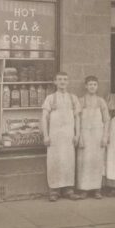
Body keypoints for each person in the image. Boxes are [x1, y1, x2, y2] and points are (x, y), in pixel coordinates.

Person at [41, 71, 82, 202]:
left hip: (68, 135)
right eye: (60, 80)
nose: (62, 82)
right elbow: (44, 117)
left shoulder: (73, 98)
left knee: (68, 161)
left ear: (68, 82)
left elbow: (77, 118)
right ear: (55, 82)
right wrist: (46, 135)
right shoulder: (50, 98)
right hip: (55, 136)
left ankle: (68, 190)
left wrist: (77, 134)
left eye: (65, 79)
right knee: (54, 161)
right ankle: (54, 190)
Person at [76, 75, 110, 199]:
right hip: (85, 134)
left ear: (97, 86)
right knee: (84, 162)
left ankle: (97, 189)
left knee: (97, 161)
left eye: (94, 84)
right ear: (86, 86)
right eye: (90, 84)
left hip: (98, 134)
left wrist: (105, 136)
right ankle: (84, 189)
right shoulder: (81, 100)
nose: (92, 87)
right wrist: (79, 136)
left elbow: (106, 120)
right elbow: (77, 119)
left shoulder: (101, 101)